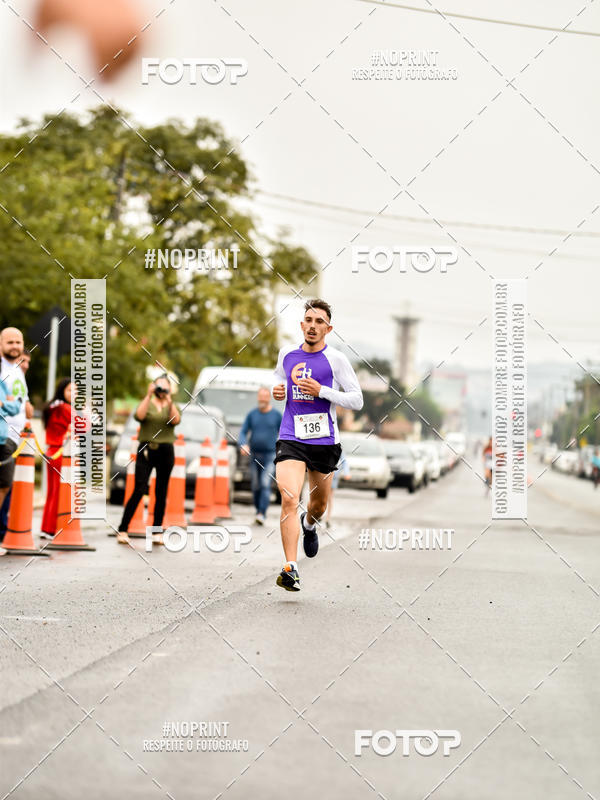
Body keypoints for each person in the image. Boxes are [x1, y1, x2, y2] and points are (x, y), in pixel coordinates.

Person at [272, 299, 363, 591]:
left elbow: (357, 399)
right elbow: (278, 378)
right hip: (291, 436)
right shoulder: (287, 354)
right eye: (309, 320)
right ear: (302, 325)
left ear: (328, 329)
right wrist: (277, 390)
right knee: (289, 497)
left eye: (319, 321)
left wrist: (322, 391)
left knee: (319, 505)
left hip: (324, 441)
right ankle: (291, 568)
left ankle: (309, 523)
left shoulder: (336, 360)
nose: (313, 326)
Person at [117, 374, 181, 545]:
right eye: (159, 386)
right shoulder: (148, 403)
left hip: (166, 450)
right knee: (139, 488)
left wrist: (168, 399)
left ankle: (157, 531)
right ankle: (123, 528)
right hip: (146, 449)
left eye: (165, 386)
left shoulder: (172, 405)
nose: (162, 389)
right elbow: (139, 416)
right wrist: (148, 395)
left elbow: (175, 420)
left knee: (161, 491)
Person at [40, 379, 81, 539]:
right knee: (58, 493)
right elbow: (83, 426)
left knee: (52, 492)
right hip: (61, 454)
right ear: (62, 391)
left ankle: (46, 528)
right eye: (70, 390)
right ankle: (52, 529)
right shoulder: (66, 408)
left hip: (51, 452)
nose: (74, 394)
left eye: (76, 390)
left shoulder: (52, 407)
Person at [239, 388, 282, 525]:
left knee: (265, 483)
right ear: (258, 398)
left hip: (270, 455)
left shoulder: (276, 415)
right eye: (260, 396)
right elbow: (243, 432)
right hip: (254, 455)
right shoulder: (252, 414)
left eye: (265, 397)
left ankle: (262, 513)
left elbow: (284, 433)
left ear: (269, 398)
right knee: (255, 485)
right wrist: (243, 444)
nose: (262, 399)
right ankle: (258, 510)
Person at [0, 328, 30, 521]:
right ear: (1, 344)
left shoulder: (17, 370)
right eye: (10, 342)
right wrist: (9, 403)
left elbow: (21, 401)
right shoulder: (1, 368)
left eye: (18, 342)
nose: (14, 346)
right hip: (3, 434)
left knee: (4, 485)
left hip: (14, 436)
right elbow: (8, 404)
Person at [325, 449, 350, 528]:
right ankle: (319, 515)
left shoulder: (338, 448)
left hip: (333, 475)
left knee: (329, 497)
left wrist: (346, 473)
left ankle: (327, 518)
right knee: (322, 496)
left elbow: (344, 461)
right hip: (322, 473)